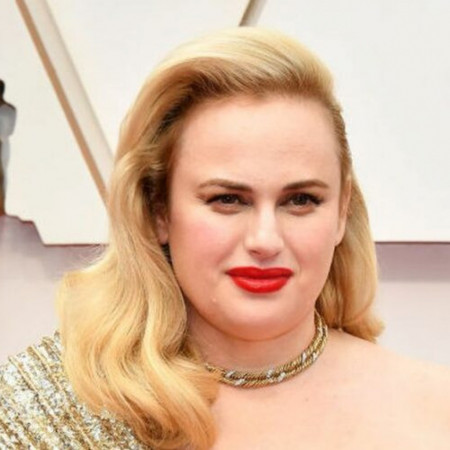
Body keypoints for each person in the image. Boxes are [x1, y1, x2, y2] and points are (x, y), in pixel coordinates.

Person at [0, 27, 449, 449]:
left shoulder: (433, 410)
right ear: (158, 210)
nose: (265, 240)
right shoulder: (36, 415)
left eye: (301, 200)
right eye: (228, 200)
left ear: (341, 211)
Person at [0, 80, 17, 215]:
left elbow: (9, 130)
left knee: (2, 174)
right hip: (4, 142)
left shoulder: (9, 110)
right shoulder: (10, 109)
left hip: (2, 143)